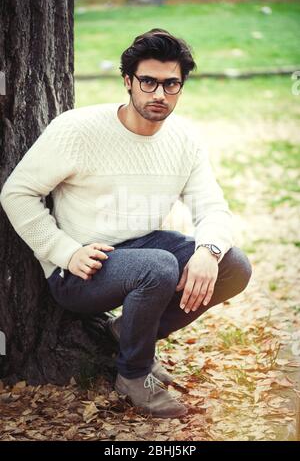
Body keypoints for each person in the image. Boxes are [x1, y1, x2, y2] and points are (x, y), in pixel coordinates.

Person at [0, 28, 252, 418]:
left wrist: (208, 251)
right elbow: (16, 193)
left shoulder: (183, 139)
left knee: (233, 266)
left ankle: (131, 332)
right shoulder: (79, 130)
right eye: (148, 82)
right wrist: (63, 251)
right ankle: (134, 373)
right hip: (82, 268)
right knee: (159, 266)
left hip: (145, 247)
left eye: (172, 84)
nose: (159, 95)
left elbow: (213, 207)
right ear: (127, 81)